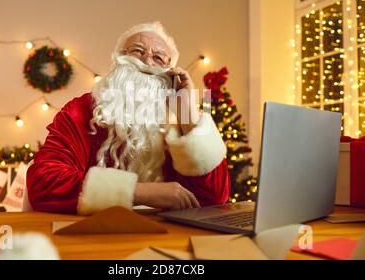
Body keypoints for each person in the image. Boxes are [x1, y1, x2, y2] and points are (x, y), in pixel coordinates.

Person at [27, 21, 230, 215]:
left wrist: (188, 114)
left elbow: (214, 198)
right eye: (138, 51)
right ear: (118, 60)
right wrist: (140, 193)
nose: (147, 61)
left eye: (159, 58)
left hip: (166, 238)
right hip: (93, 237)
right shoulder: (83, 110)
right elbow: (44, 183)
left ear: (171, 74)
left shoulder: (179, 121)